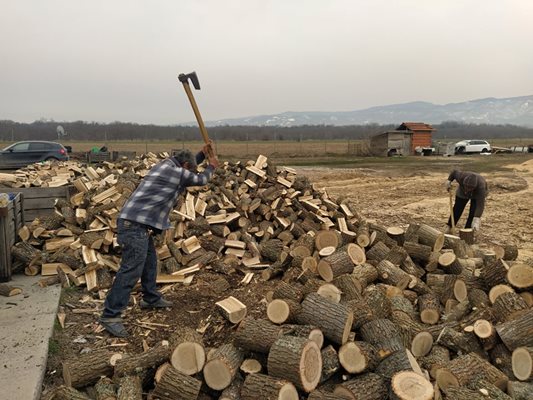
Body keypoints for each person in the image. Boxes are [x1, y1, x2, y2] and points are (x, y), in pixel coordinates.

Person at [99, 143, 218, 337]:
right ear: (185, 166)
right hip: (134, 225)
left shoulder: (167, 165)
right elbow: (200, 179)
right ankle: (110, 315)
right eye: (189, 166)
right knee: (130, 270)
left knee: (149, 263)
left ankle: (150, 298)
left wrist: (202, 155)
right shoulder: (178, 173)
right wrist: (212, 165)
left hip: (137, 224)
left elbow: (189, 166)